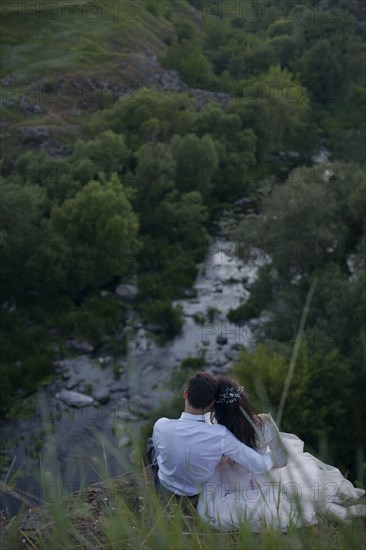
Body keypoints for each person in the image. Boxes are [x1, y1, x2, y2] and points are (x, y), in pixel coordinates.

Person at [197, 377, 366, 532]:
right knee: (303, 494)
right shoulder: (264, 423)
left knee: (212, 512)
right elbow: (281, 460)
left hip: (230, 482)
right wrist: (264, 461)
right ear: (244, 400)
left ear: (216, 406)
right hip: (264, 477)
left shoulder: (213, 426)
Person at [149, 372, 282, 500]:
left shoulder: (161, 425)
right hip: (194, 491)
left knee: (151, 444)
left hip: (163, 486)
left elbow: (160, 452)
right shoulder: (220, 435)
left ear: (185, 393)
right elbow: (258, 465)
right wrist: (271, 456)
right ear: (211, 403)